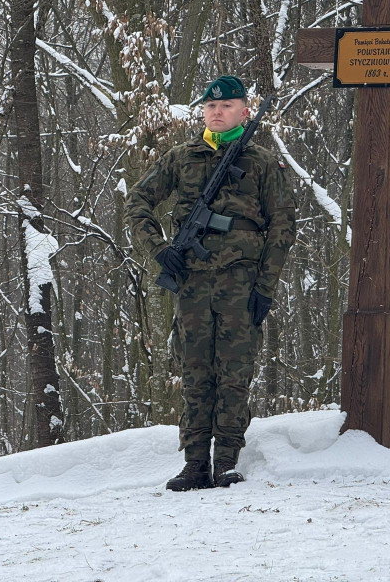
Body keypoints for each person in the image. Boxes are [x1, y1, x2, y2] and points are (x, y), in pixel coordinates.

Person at [124, 75, 296, 491]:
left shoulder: (259, 161)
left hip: (242, 283)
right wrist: (159, 247)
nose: (216, 112)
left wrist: (265, 288)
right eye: (210, 106)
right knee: (196, 373)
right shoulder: (181, 158)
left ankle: (227, 461)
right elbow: (137, 202)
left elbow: (282, 225)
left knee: (234, 373)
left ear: (244, 111)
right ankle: (195, 462)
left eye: (226, 106)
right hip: (192, 284)